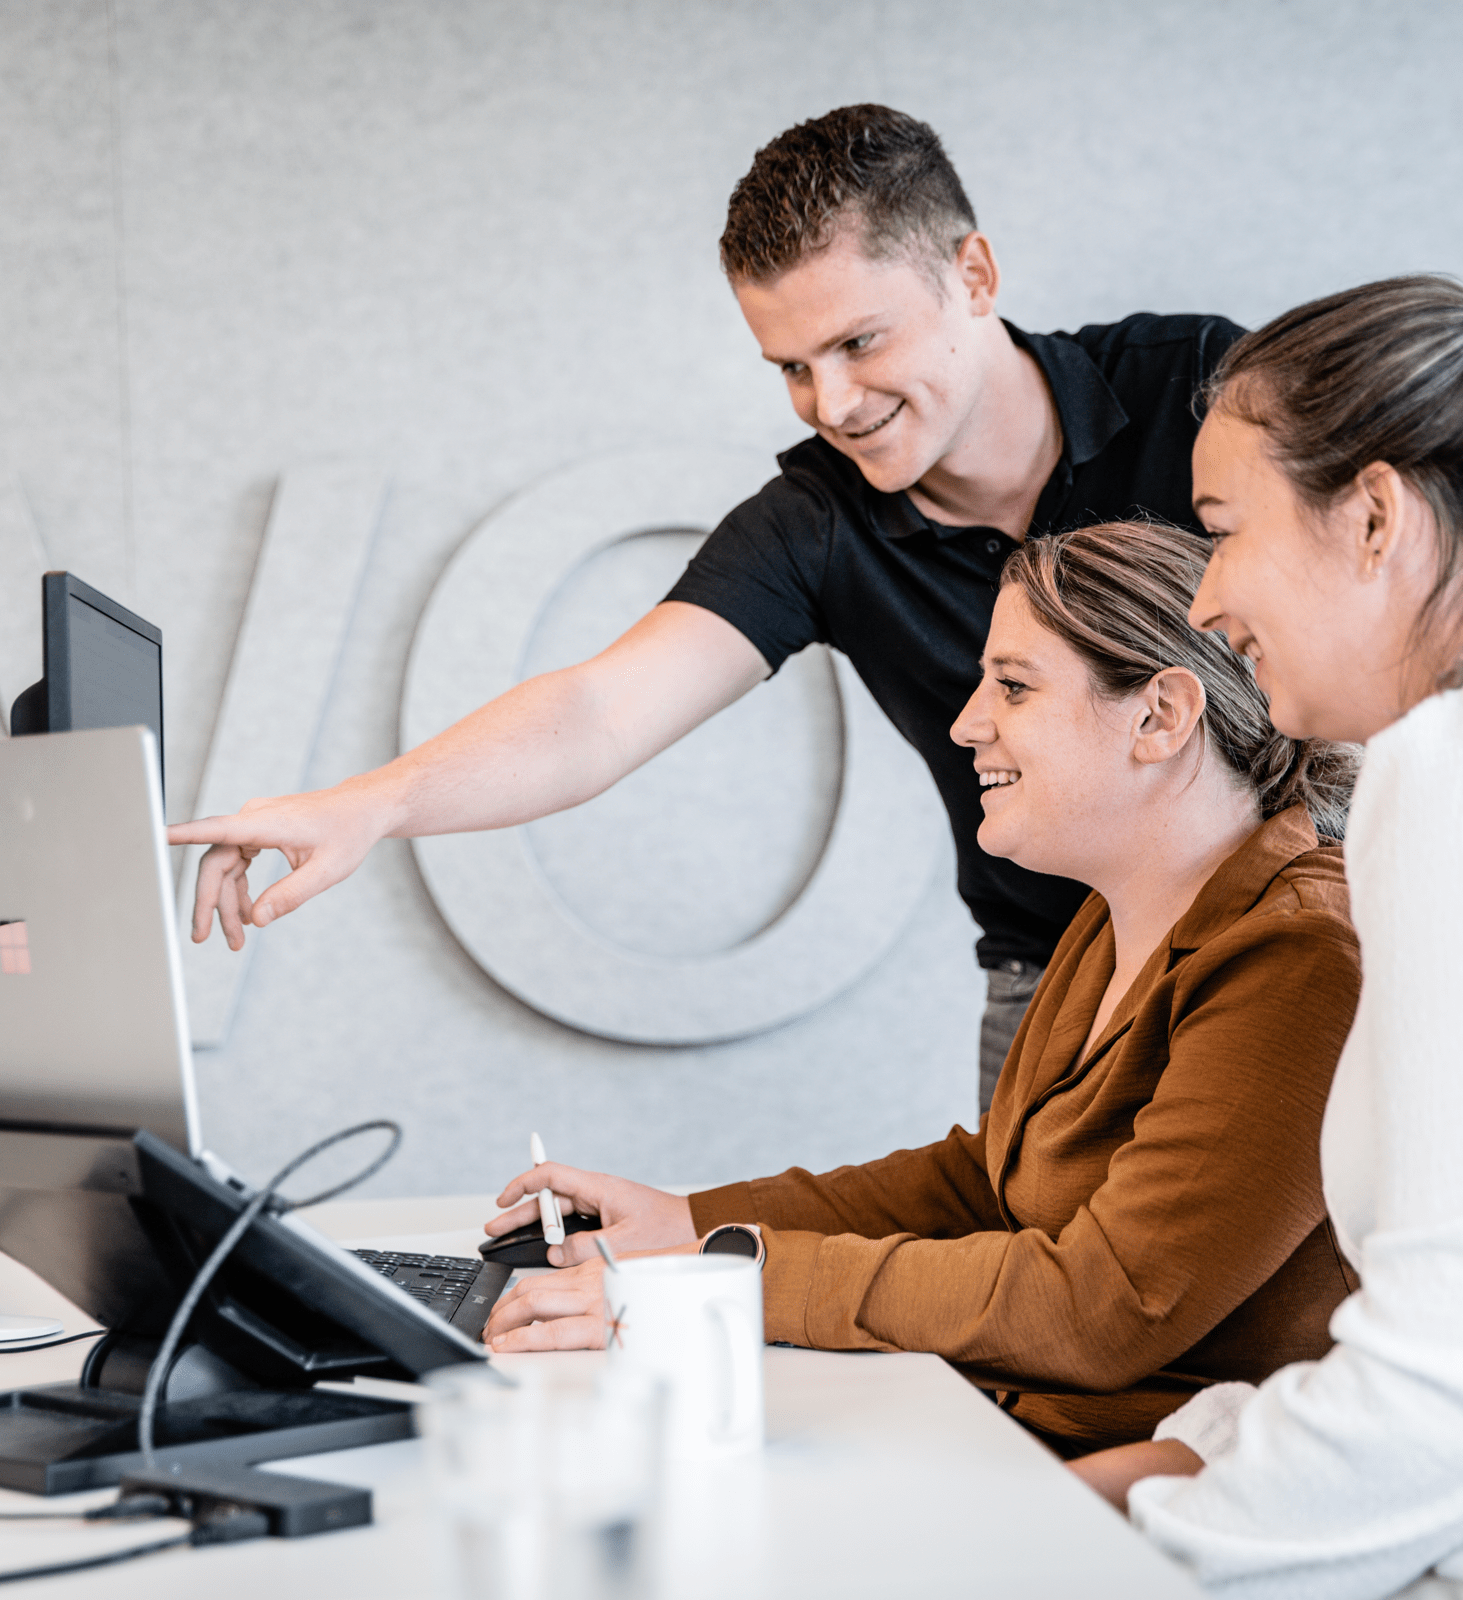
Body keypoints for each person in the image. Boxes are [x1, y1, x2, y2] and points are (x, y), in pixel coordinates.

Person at [166, 104, 1244, 1115]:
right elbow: (597, 714)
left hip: (1281, 933)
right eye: (792, 367)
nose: (833, 405)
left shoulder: (1202, 387)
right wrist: (368, 805)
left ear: (974, 275)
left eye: (860, 343)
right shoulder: (817, 522)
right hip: (1053, 987)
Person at [476, 520, 1362, 1458]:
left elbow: (1103, 1307)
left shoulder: (1298, 955)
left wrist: (731, 1276)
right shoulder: (1123, 916)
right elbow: (989, 1184)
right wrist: (687, 1221)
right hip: (1016, 1427)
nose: (966, 723)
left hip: (1134, 1484)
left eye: (1013, 686)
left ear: (1161, 716)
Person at [1067, 280, 1463, 1598]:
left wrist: (1099, 1551)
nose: (1206, 601)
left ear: (1375, 518)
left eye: (1222, 531)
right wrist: (1191, 1457)